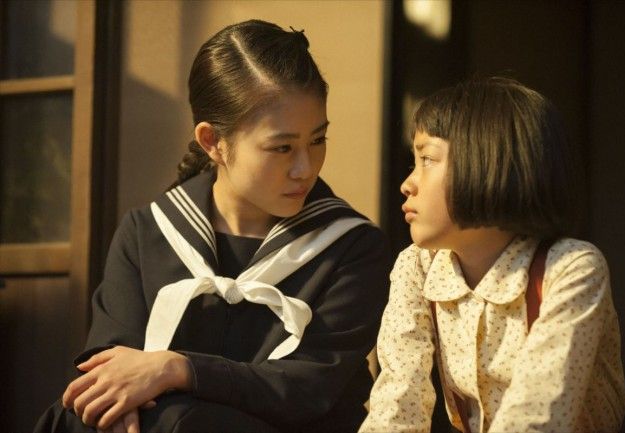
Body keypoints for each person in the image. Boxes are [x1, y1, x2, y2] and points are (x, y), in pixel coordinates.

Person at [35, 20, 390, 433]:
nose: (305, 168)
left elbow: (308, 389)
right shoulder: (147, 232)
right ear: (212, 141)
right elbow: (109, 367)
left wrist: (179, 369)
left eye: (317, 140)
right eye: (282, 147)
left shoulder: (352, 246)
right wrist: (120, 404)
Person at [360, 77, 625, 433]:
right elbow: (397, 405)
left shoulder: (570, 269)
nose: (407, 183)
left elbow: (537, 418)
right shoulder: (417, 265)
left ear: (488, 163)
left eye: (427, 159)